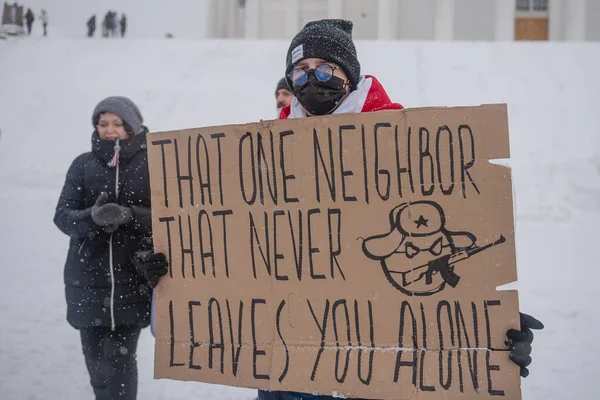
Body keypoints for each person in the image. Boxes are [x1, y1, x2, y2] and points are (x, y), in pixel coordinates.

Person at [136, 18, 544, 400]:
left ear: (349, 73)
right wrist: (175, 273)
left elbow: (447, 233)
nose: (311, 78)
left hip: (370, 368)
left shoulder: (404, 142)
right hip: (287, 369)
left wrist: (489, 324)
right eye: (301, 69)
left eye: (326, 67)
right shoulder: (259, 154)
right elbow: (243, 249)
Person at [54, 96, 153, 400]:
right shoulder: (83, 165)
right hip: (88, 281)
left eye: (117, 124)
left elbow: (170, 216)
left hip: (132, 279)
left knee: (120, 361)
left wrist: (130, 216)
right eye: (103, 123)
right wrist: (91, 218)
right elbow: (63, 217)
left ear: (132, 127)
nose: (109, 130)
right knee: (97, 366)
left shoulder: (154, 162)